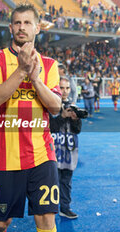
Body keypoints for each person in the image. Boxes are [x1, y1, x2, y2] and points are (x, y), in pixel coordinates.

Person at [0, 4, 62, 232]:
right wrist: (21, 70)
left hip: (43, 155)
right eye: (17, 22)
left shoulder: (49, 65)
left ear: (37, 27)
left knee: (47, 220)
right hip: (8, 158)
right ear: (10, 27)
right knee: (1, 223)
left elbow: (56, 107)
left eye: (28, 22)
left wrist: (36, 80)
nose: (22, 27)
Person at [50, 77, 81, 219]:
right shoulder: (51, 105)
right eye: (62, 88)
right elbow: (51, 128)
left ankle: (65, 207)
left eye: (67, 88)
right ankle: (49, 210)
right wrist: (62, 116)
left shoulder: (72, 105)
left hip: (69, 151)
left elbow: (78, 130)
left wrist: (75, 119)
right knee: (52, 182)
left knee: (66, 182)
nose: (65, 91)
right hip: (54, 151)